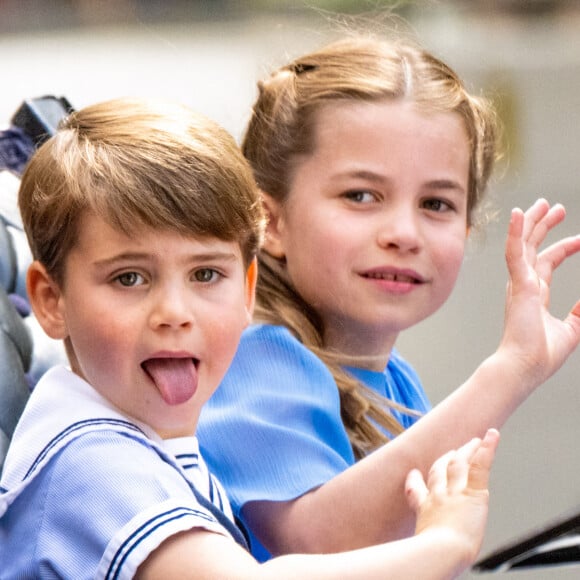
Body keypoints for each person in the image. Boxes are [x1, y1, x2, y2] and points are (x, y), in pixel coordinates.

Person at [0, 96, 501, 579]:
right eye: (130, 278)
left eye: (205, 276)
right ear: (50, 300)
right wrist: (443, 546)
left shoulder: (137, 435)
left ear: (246, 289)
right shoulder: (92, 464)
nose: (174, 314)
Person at [197, 33, 580, 560]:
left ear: (469, 229)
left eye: (436, 204)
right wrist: (513, 368)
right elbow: (319, 544)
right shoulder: (255, 358)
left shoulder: (396, 380)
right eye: (361, 195)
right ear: (271, 222)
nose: (404, 232)